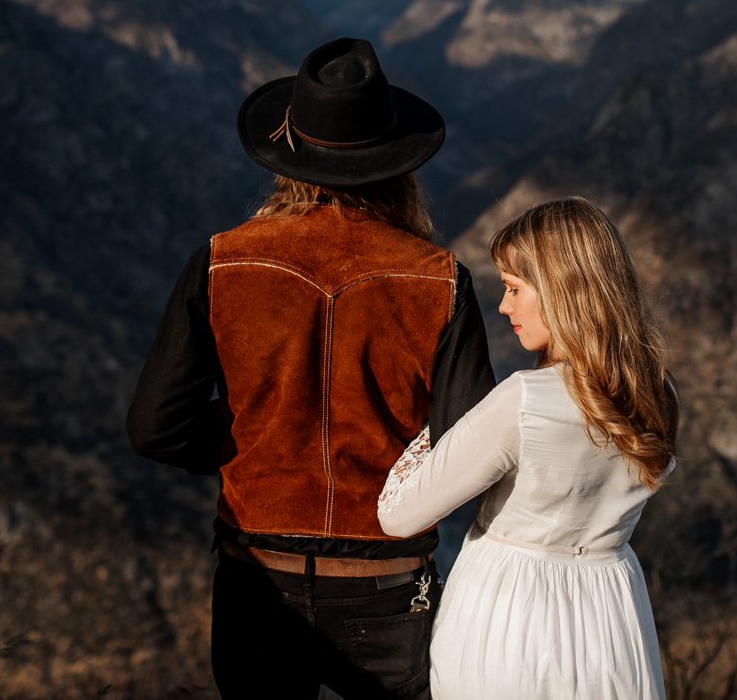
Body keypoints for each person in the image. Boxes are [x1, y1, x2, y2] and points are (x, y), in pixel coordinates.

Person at [127, 37, 496, 700]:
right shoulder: (439, 281)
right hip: (388, 585)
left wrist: (252, 438)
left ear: (287, 159)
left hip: (257, 576)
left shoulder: (222, 263)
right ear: (395, 163)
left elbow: (155, 426)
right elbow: (468, 443)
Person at [377, 197, 680, 700]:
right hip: (613, 615)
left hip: (510, 613)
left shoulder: (525, 400)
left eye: (515, 289)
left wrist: (440, 424)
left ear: (563, 291)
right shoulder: (658, 392)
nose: (503, 306)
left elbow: (399, 516)